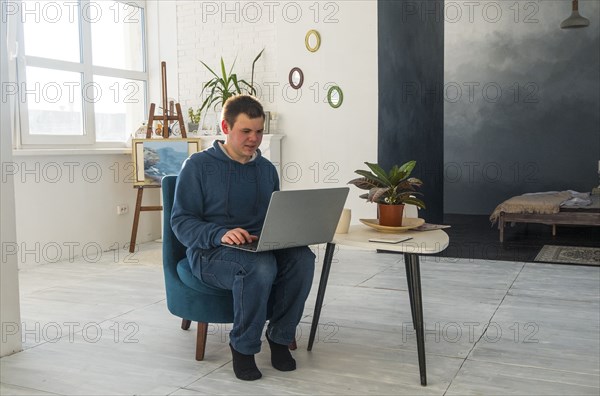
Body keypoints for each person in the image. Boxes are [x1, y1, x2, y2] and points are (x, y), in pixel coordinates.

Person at [171, 95, 315, 381]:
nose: (254, 139)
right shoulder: (197, 166)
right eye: (246, 131)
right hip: (210, 252)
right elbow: (181, 222)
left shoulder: (266, 170)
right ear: (226, 126)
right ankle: (244, 347)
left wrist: (284, 232)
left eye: (259, 131)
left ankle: (279, 336)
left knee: (303, 258)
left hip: (257, 246)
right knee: (259, 267)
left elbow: (270, 216)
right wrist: (220, 233)